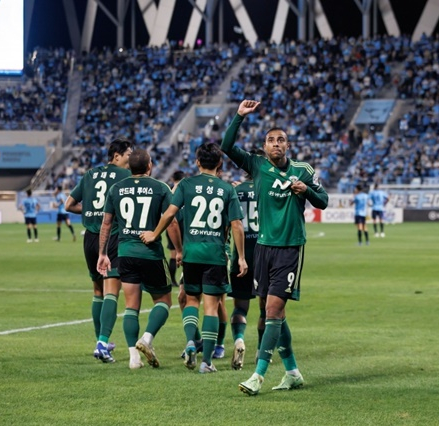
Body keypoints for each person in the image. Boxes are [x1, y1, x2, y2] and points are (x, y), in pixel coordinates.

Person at [221, 100, 329, 396]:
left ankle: (258, 375)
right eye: (271, 140)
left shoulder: (304, 170)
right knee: (275, 314)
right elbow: (227, 147)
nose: (276, 144)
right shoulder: (257, 167)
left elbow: (324, 201)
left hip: (290, 248)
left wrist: (307, 190)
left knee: (272, 309)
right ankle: (292, 372)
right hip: (263, 250)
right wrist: (239, 117)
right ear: (265, 147)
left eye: (280, 139)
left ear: (288, 145)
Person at [140, 142, 247, 374]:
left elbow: (170, 214)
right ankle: (206, 362)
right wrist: (241, 257)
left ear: (197, 162)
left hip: (191, 254)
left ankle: (190, 342)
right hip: (215, 254)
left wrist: (154, 234)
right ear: (219, 164)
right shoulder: (227, 189)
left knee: (190, 301)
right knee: (211, 307)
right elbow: (237, 225)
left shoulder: (186, 184)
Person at [97, 148, 182, 369]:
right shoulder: (160, 187)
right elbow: (171, 221)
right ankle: (147, 338)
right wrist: (179, 250)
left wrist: (103, 253)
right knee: (163, 301)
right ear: (149, 166)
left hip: (125, 253)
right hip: (151, 253)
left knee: (131, 306)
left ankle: (133, 358)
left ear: (129, 167)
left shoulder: (116, 189)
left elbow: (106, 223)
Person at [65, 137, 133, 362]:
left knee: (97, 291)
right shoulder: (126, 176)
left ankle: (100, 340)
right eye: (128, 155)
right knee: (112, 289)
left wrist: (89, 213)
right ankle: (102, 343)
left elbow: (68, 205)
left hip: (90, 239)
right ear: (117, 156)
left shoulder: (90, 174)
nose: (130, 159)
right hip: (111, 236)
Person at [227, 156, 265, 371]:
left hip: (241, 255)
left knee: (241, 306)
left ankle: (239, 340)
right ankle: (261, 349)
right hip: (265, 255)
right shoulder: (267, 188)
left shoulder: (236, 190)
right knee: (266, 306)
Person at [165, 170, 186, 287]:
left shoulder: (170, 191)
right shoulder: (186, 189)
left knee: (173, 254)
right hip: (184, 224)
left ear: (173, 179)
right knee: (187, 253)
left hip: (171, 224)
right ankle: (184, 280)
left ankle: (172, 280)